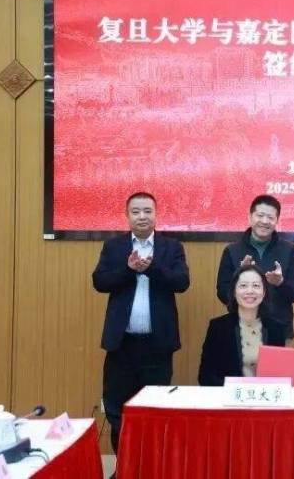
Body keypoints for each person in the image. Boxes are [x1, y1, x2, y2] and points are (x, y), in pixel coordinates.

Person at [92, 192, 190, 454]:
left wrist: (151, 268)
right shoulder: (114, 247)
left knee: (155, 409)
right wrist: (129, 269)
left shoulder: (172, 247)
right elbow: (100, 282)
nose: (142, 216)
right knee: (117, 410)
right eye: (136, 211)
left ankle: (150, 467)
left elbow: (182, 282)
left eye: (147, 211)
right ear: (127, 215)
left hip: (157, 346)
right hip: (121, 345)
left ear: (156, 214)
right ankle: (124, 466)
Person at [216, 195, 294, 339]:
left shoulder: (289, 250)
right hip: (241, 328)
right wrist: (239, 277)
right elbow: (222, 294)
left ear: (277, 221)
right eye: (260, 215)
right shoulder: (232, 250)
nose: (265, 221)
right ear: (250, 217)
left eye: (270, 217)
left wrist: (280, 283)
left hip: (279, 330)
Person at [199, 264, 287, 385]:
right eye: (243, 285)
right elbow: (205, 376)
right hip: (228, 395)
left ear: (264, 292)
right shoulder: (218, 327)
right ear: (234, 292)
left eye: (256, 286)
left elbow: (280, 376)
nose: (250, 291)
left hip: (264, 395)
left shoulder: (276, 328)